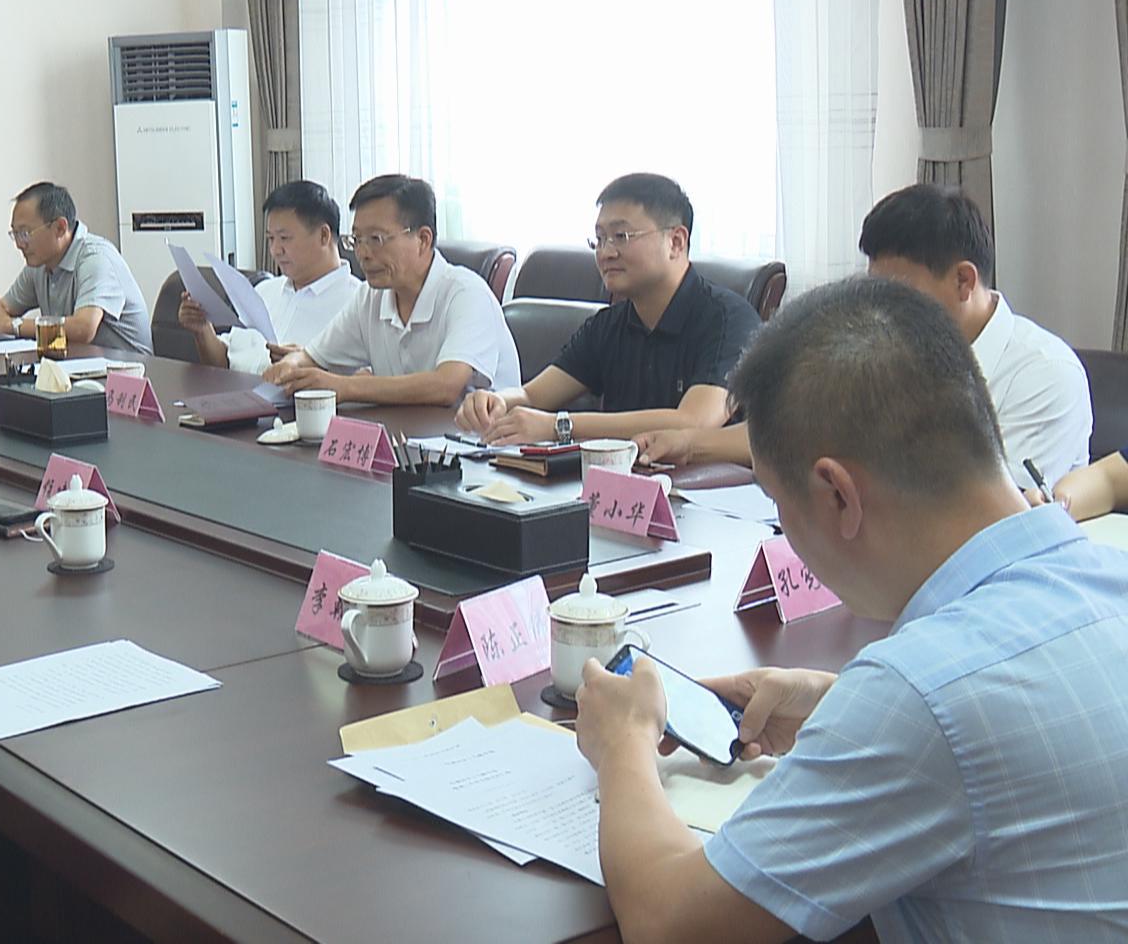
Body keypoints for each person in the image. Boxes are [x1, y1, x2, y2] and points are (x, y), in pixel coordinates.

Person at [572, 277, 1128, 943]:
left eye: (779, 503)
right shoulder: (1108, 577)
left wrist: (623, 744)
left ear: (838, 494)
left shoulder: (920, 696)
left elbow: (670, 924)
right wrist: (840, 703)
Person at [636, 185, 1093, 488]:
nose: (882, 307)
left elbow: (990, 513)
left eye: (898, 290)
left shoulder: (1044, 375)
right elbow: (802, 430)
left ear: (963, 281)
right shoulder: (894, 345)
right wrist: (688, 442)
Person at [455, 174, 760, 444]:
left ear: (676, 242)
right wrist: (496, 401)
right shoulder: (608, 325)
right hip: (621, 482)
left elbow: (694, 422)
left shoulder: (728, 320)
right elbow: (532, 395)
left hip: (709, 486)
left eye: (621, 237)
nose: (605, 252)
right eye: (599, 239)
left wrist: (560, 426)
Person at [262, 174, 518, 404]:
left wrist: (346, 387)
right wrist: (290, 366)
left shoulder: (466, 293)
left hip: (483, 438)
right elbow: (313, 357)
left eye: (376, 239)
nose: (363, 253)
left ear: (423, 239)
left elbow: (446, 385)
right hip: (406, 434)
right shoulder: (371, 297)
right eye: (357, 240)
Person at [177, 180, 361, 374]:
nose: (275, 250)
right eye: (271, 239)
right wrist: (202, 330)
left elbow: (366, 382)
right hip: (232, 392)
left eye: (284, 238)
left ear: (323, 235)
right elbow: (223, 362)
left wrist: (309, 365)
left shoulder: (358, 303)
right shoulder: (264, 290)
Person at [0, 182, 154, 354]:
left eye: (25, 233)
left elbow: (84, 329)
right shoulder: (39, 263)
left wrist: (11, 325)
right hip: (77, 367)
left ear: (60, 227)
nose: (19, 244)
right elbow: (3, 312)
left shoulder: (96, 259)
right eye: (15, 234)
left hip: (130, 371)